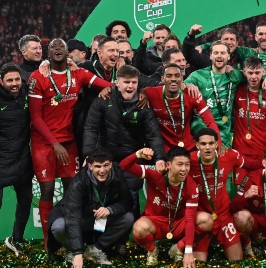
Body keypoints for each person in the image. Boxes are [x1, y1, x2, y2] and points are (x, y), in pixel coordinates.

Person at [28, 38, 113, 244]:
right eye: (53, 48)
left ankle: (74, 238)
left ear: (67, 53)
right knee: (47, 190)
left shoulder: (78, 73)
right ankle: (49, 242)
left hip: (68, 140)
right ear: (48, 54)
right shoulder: (37, 77)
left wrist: (106, 88)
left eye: (61, 47)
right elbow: (36, 117)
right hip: (44, 142)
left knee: (74, 189)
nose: (58, 50)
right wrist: (54, 143)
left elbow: (110, 85)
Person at [83, 65, 167, 217]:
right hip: (107, 159)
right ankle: (102, 238)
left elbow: (153, 135)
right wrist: (89, 155)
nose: (130, 86)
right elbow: (91, 128)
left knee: (132, 198)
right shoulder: (103, 99)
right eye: (126, 82)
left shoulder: (143, 105)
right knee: (103, 199)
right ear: (117, 83)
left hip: (132, 160)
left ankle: (130, 236)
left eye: (134, 83)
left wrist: (160, 157)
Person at [121, 146, 211, 268]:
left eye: (187, 164)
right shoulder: (154, 174)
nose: (184, 169)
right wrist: (138, 154)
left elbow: (190, 219)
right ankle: (153, 251)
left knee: (207, 220)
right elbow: (124, 166)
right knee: (139, 228)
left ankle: (177, 248)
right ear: (168, 165)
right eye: (179, 164)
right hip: (155, 222)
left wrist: (188, 251)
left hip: (178, 223)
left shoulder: (191, 185)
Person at [48, 147, 134, 267]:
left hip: (101, 218)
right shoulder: (79, 181)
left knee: (128, 217)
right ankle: (72, 251)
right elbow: (73, 217)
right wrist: (78, 252)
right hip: (80, 219)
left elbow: (128, 201)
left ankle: (95, 249)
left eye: (106, 165)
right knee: (58, 226)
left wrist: (110, 209)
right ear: (90, 166)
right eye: (98, 166)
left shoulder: (117, 175)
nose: (102, 170)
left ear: (111, 164)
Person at [189, 128, 258, 262]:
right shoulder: (188, 161)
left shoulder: (229, 156)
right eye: (203, 144)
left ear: (217, 144)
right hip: (202, 217)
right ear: (197, 145)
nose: (207, 147)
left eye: (211, 143)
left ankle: (242, 243)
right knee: (199, 262)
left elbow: (250, 164)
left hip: (223, 216)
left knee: (237, 259)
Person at [144, 63, 220, 152]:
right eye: (169, 76)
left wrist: (218, 144)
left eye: (177, 76)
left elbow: (210, 121)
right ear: (162, 79)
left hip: (188, 145)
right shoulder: (151, 93)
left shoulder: (192, 94)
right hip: (164, 148)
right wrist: (142, 93)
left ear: (182, 79)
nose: (173, 79)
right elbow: (136, 85)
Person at [185, 41, 247, 147]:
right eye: (216, 53)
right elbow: (179, 85)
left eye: (223, 53)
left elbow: (254, 76)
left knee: (223, 162)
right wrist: (187, 85)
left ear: (228, 56)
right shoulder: (198, 75)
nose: (219, 56)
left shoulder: (235, 75)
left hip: (225, 131)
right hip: (203, 127)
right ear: (210, 56)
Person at [0, 64, 34, 256]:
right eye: (10, 80)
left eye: (17, 80)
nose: (15, 84)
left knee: (25, 201)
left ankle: (17, 240)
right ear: (1, 82)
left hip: (22, 158)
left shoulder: (26, 92)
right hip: (1, 160)